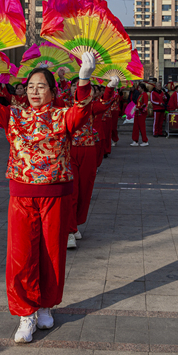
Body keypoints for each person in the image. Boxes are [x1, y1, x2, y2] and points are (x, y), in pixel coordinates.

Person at [0, 47, 104, 343]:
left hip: (55, 194)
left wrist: (84, 78)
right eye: (30, 86)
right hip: (22, 194)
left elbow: (82, 111)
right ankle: (25, 313)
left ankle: (45, 305)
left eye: (41, 86)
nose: (34, 91)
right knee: (20, 255)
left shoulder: (62, 116)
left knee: (51, 254)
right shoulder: (15, 116)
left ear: (52, 91)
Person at [68, 81, 114, 248]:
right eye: (74, 86)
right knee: (72, 190)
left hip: (88, 150)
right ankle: (69, 231)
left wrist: (110, 88)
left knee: (85, 190)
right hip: (68, 151)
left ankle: (75, 223)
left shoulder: (93, 107)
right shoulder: (64, 105)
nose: (76, 88)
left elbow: (106, 103)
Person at [130, 82, 149, 146]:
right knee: (135, 127)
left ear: (142, 88)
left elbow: (145, 104)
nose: (138, 89)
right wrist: (136, 107)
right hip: (137, 113)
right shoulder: (140, 95)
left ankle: (145, 141)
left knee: (142, 127)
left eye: (139, 88)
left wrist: (139, 108)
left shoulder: (145, 94)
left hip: (141, 113)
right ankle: (135, 140)